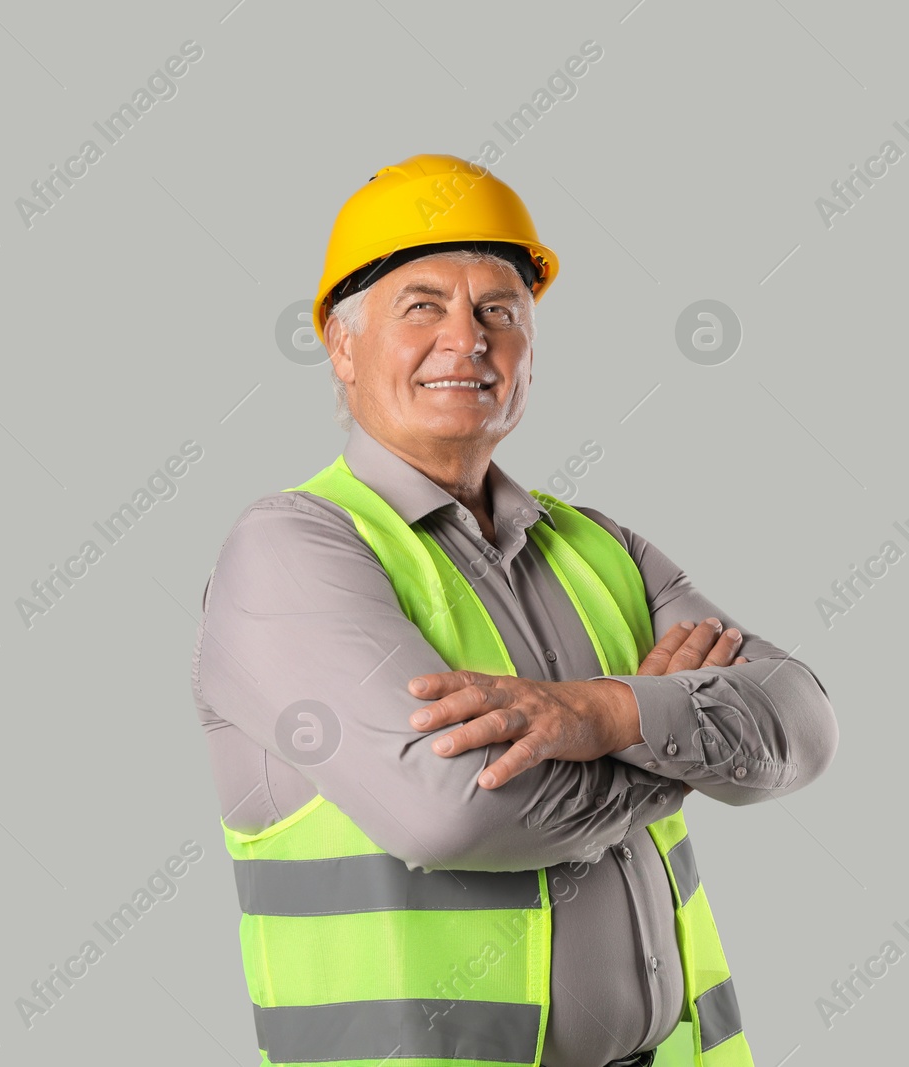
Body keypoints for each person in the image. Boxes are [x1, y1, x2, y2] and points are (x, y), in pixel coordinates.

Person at [189, 153, 838, 1067]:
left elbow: (803, 722)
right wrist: (679, 746)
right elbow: (453, 816)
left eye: (500, 309)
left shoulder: (598, 546)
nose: (469, 339)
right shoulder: (291, 552)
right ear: (342, 344)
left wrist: (603, 713)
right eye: (423, 306)